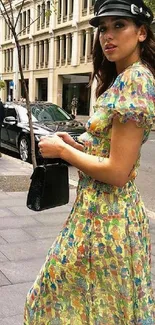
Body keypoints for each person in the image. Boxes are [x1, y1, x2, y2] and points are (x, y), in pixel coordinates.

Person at [24, 0, 155, 323]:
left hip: (108, 219)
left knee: (49, 299)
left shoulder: (135, 80)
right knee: (96, 307)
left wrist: (64, 153)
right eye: (102, 28)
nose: (107, 36)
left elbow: (118, 172)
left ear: (141, 33)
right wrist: (76, 142)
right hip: (96, 214)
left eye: (118, 25)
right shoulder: (121, 79)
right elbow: (107, 145)